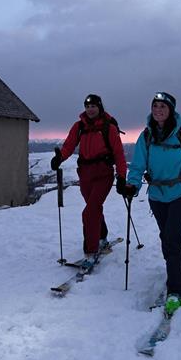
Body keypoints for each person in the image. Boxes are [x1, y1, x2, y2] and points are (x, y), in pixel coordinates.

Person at [122, 92, 181, 316]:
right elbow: (138, 165)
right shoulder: (146, 136)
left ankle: (176, 289)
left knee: (171, 237)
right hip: (158, 195)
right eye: (155, 106)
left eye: (163, 106)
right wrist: (132, 185)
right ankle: (177, 259)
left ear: (171, 110)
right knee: (167, 237)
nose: (158, 110)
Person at [51, 94, 127, 269]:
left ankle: (90, 252)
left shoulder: (109, 128)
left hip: (103, 174)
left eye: (93, 106)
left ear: (99, 107)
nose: (90, 109)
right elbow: (69, 145)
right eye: (87, 106)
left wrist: (122, 176)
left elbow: (119, 154)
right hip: (85, 174)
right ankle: (102, 236)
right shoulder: (79, 126)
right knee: (94, 208)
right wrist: (59, 158)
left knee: (89, 212)